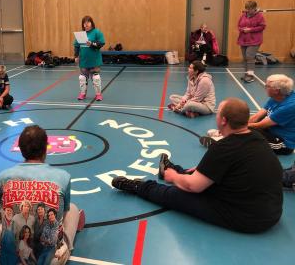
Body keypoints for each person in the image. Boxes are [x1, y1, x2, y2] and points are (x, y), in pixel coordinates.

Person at [112, 98, 283, 233]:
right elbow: (233, 167)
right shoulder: (256, 135)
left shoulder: (224, 147)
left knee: (176, 195)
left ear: (223, 120)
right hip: (269, 210)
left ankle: (138, 185)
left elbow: (193, 187)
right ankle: (172, 169)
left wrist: (174, 177)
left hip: (246, 218)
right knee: (198, 173)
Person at [0, 125, 85, 265]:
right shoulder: (63, 177)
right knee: (72, 209)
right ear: (45, 148)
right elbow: (62, 216)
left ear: (21, 149)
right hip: (49, 261)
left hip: (10, 259)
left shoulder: (2, 177)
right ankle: (67, 243)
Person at [247, 74, 295, 155]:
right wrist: (240, 125)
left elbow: (259, 125)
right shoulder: (277, 97)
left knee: (245, 137)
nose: (265, 87)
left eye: (267, 86)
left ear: (276, 91)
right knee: (244, 132)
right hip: (271, 130)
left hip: (282, 143)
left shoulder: (289, 106)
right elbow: (257, 116)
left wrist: (236, 127)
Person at [74, 15, 105, 101]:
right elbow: (76, 46)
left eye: (88, 22)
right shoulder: (80, 34)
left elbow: (101, 43)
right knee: (82, 78)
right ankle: (82, 94)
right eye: (84, 23)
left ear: (91, 23)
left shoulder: (97, 32)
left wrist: (91, 44)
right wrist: (76, 56)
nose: (86, 24)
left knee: (96, 78)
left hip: (94, 60)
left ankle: (98, 95)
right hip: (84, 60)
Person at [237, 0, 266, 83]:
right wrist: (242, 29)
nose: (248, 11)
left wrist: (250, 30)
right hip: (243, 39)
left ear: (254, 8)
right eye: (247, 9)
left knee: (250, 57)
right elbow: (239, 25)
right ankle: (246, 74)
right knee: (245, 58)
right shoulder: (243, 15)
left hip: (255, 40)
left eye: (250, 9)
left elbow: (262, 27)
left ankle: (251, 76)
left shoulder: (259, 16)